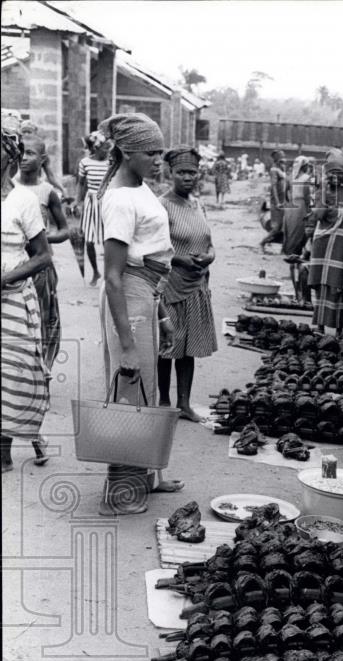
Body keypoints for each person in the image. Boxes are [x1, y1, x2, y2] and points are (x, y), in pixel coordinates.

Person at [97, 112, 181, 515]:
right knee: (127, 391)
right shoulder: (119, 199)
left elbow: (153, 258)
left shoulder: (141, 189)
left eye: (159, 152)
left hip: (146, 294)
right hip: (128, 296)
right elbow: (114, 276)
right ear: (127, 151)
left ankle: (145, 476)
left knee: (143, 388)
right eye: (150, 152)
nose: (157, 159)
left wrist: (161, 311)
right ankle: (118, 493)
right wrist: (127, 343)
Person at [1, 118, 53, 472]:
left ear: (7, 157)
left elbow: (43, 255)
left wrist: (6, 278)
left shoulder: (23, 200)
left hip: (13, 301)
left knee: (10, 375)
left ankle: (4, 451)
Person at [157, 146, 217, 423]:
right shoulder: (161, 205)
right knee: (168, 347)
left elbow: (210, 242)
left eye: (192, 172)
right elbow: (155, 249)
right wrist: (179, 260)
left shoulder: (197, 204)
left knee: (188, 349)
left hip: (196, 285)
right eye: (181, 172)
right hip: (171, 284)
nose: (188, 177)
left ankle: (184, 403)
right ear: (171, 173)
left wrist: (209, 257)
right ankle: (164, 401)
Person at [15, 134, 69, 371]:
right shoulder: (9, 187)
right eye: (21, 152)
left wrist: (41, 238)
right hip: (13, 264)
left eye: (30, 153)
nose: (24, 158)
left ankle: (41, 369)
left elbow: (65, 231)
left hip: (40, 267)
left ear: (43, 158)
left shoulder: (48, 192)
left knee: (43, 319)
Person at [307, 148, 343, 334]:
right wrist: (324, 192)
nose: (335, 177)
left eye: (339, 173)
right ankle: (320, 326)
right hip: (322, 243)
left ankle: (339, 330)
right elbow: (320, 215)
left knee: (339, 284)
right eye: (331, 174)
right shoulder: (322, 192)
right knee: (321, 283)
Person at [77, 130, 111, 285]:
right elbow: (81, 184)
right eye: (104, 146)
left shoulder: (111, 162)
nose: (108, 149)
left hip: (107, 201)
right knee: (88, 240)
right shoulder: (85, 163)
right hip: (91, 202)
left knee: (108, 240)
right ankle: (96, 272)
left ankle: (109, 274)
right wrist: (78, 203)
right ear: (96, 148)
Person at [282, 156, 314, 258]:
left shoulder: (289, 177)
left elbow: (285, 193)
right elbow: (307, 196)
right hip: (301, 205)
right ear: (303, 167)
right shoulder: (306, 178)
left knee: (291, 229)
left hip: (291, 206)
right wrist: (309, 209)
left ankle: (289, 251)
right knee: (299, 230)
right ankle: (296, 253)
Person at [260, 150, 289, 250]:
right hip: (277, 201)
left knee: (285, 226)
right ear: (276, 158)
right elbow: (274, 187)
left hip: (284, 200)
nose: (283, 159)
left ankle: (283, 248)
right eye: (281, 157)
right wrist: (277, 202)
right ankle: (263, 242)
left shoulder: (282, 169)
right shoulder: (273, 170)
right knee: (276, 227)